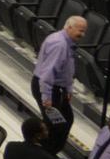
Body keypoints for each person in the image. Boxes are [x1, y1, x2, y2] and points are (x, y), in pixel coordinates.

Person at [33, 16, 82, 149]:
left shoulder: (66, 42)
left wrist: (69, 88)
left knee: (65, 120)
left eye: (84, 31)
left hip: (57, 88)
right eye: (80, 30)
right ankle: (45, 153)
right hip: (48, 87)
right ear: (69, 27)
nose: (82, 34)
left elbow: (67, 68)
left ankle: (48, 152)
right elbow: (48, 73)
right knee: (56, 125)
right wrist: (46, 97)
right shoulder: (59, 44)